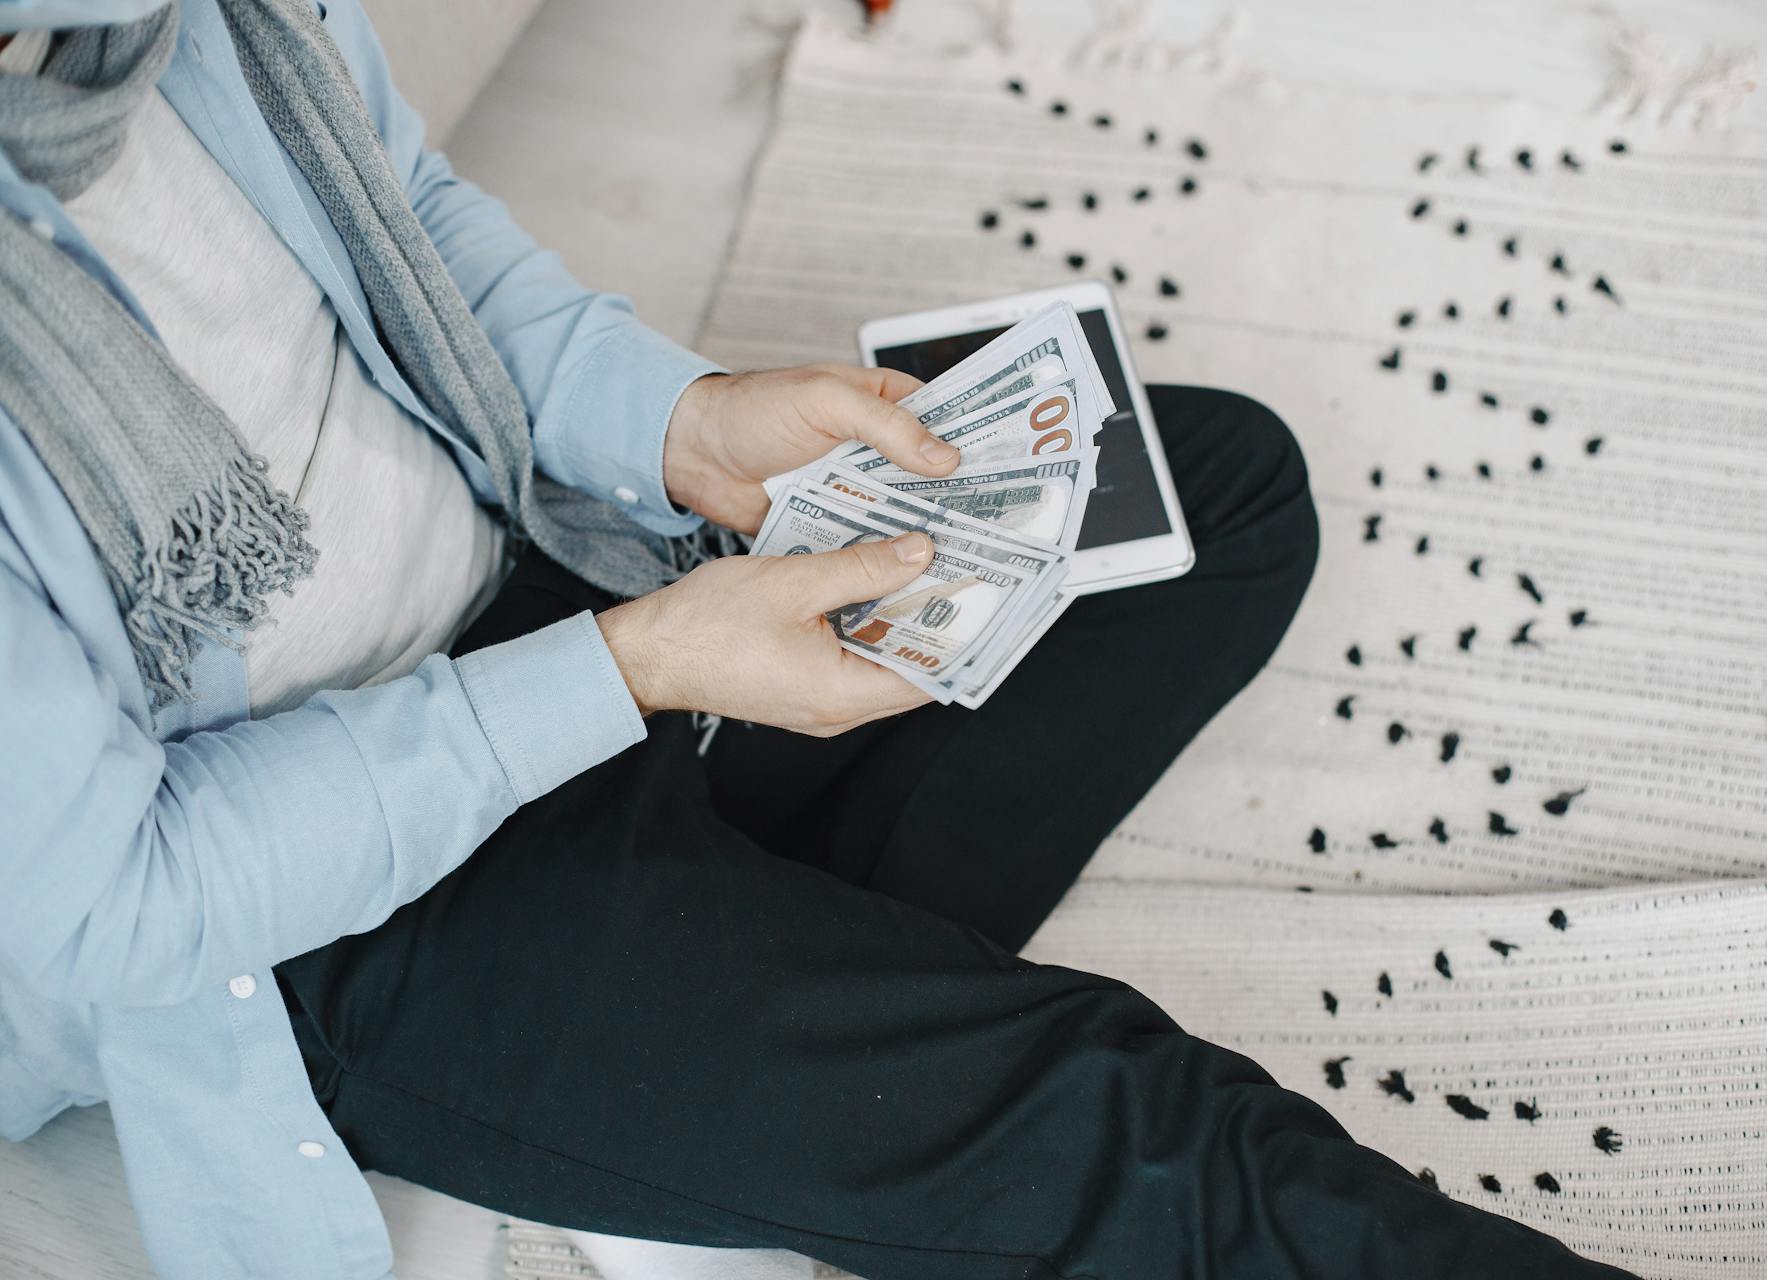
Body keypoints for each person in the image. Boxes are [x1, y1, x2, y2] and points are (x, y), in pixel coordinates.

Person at [0, 2, 1636, 1277]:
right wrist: (641, 666)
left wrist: (690, 426)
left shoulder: (161, 31)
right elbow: (124, 907)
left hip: (549, 598)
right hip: (334, 906)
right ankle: (761, 1061)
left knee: (1209, 496)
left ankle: (728, 1073)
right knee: (1119, 1116)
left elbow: (413, 221)